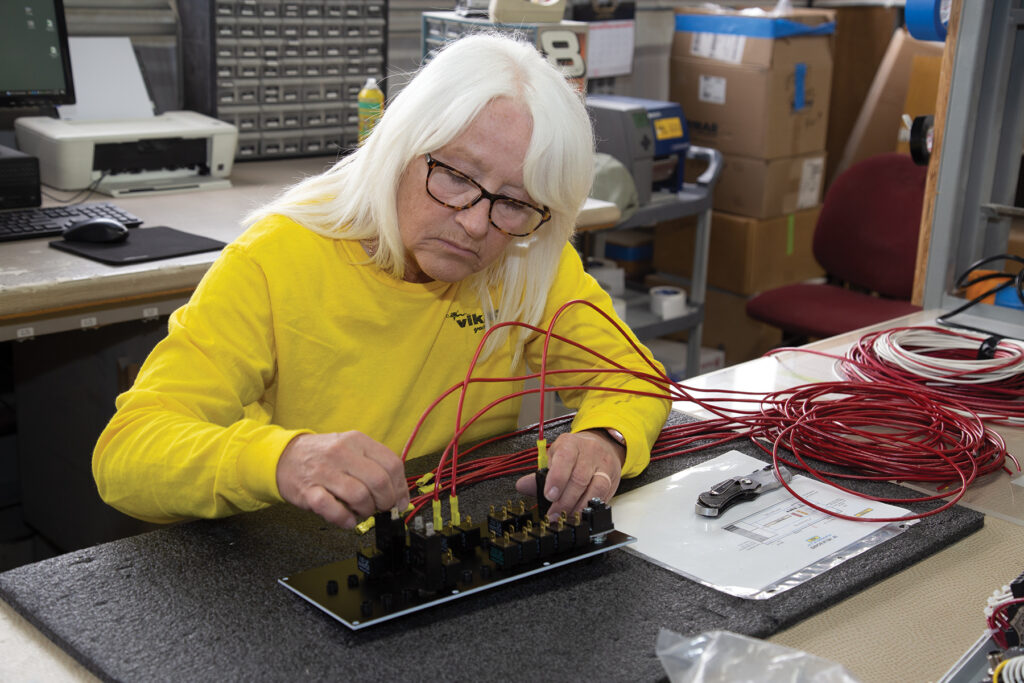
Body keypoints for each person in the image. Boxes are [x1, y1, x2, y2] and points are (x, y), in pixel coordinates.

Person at [92, 33, 671, 531]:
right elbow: (128, 453)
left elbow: (634, 380)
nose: (476, 224)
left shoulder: (525, 255)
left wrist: (606, 438)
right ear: (399, 147)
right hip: (294, 550)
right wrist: (284, 460)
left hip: (443, 539)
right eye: (455, 175)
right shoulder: (274, 259)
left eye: (515, 202)